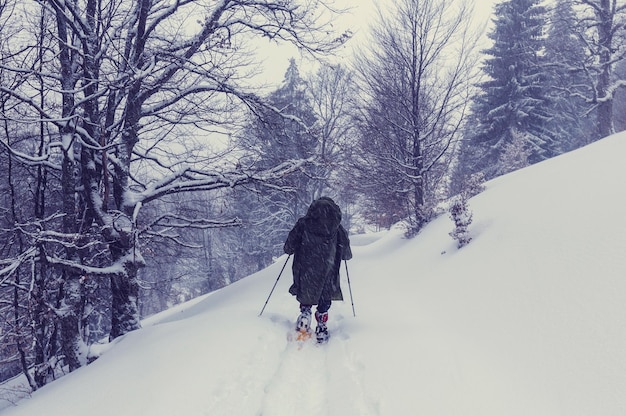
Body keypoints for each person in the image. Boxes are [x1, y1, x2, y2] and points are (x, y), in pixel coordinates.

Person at [283, 197, 352, 343]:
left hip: (305, 267)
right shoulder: (338, 229)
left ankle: (305, 315)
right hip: (328, 268)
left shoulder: (303, 224)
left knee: (307, 290)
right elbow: (347, 254)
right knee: (325, 295)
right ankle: (321, 325)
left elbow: (288, 247)